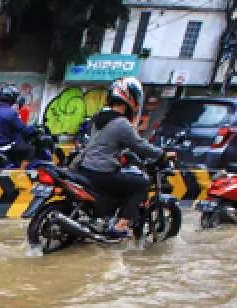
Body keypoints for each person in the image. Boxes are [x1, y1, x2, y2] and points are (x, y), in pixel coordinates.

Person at [73, 76, 175, 238]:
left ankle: (106, 216)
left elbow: (106, 143)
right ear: (130, 98)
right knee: (142, 184)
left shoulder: (99, 117)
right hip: (101, 172)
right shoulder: (121, 123)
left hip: (85, 167)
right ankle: (120, 225)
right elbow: (140, 145)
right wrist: (162, 154)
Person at [0, 86, 34, 165]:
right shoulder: (11, 112)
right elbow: (22, 128)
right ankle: (23, 171)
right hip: (5, 144)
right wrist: (33, 130)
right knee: (30, 149)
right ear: (12, 98)